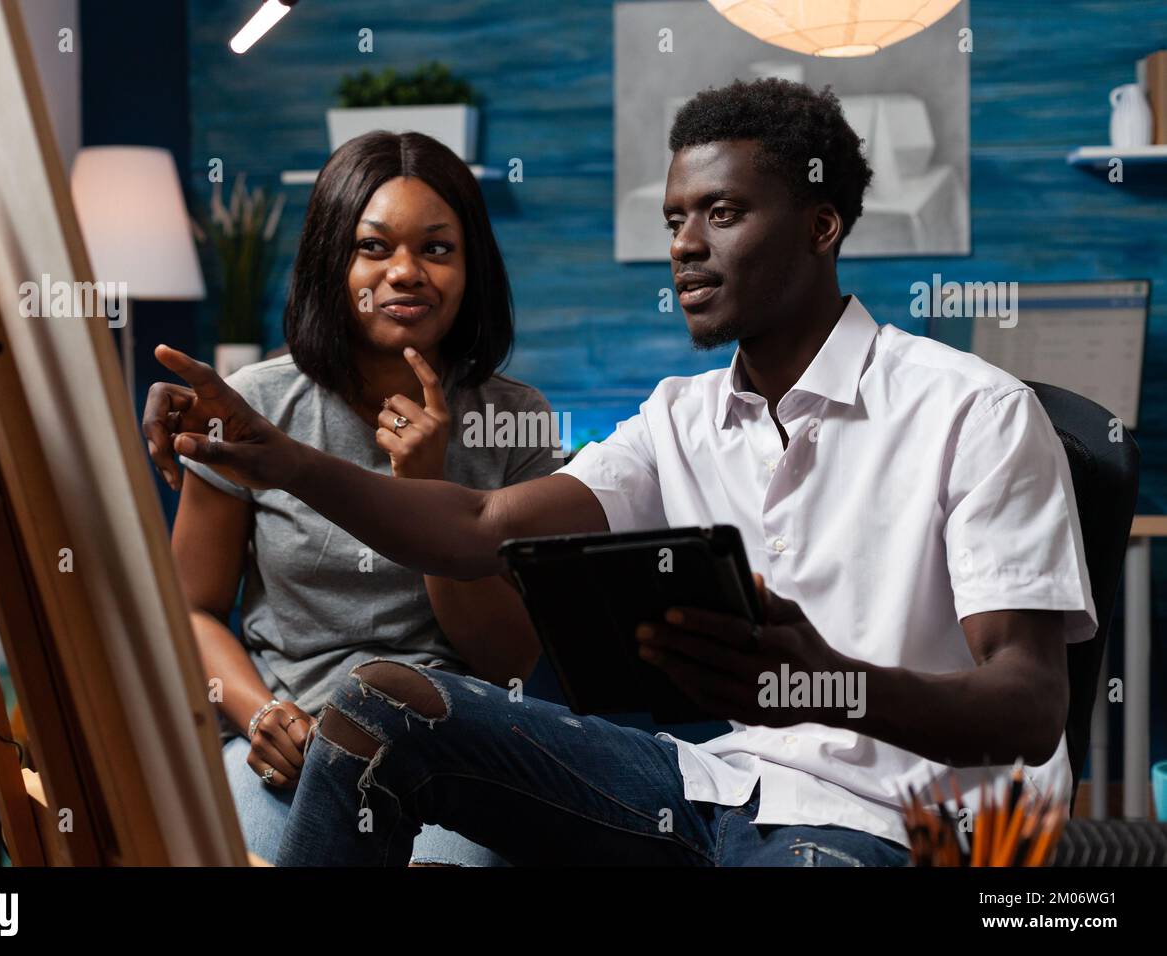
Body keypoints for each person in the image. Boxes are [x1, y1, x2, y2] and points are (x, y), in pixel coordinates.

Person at [146, 79, 1095, 867]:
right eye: (677, 217)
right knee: (382, 701)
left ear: (821, 224)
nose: (685, 243)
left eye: (723, 213)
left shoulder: (974, 412)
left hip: (889, 821)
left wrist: (827, 683)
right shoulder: (677, 416)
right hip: (709, 785)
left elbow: (1029, 707)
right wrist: (279, 459)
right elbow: (480, 528)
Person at [146, 131, 561, 865]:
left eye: (437, 249)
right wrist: (260, 713)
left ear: (471, 271)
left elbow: (511, 662)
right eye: (375, 248)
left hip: (456, 755)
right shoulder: (254, 407)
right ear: (333, 260)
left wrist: (428, 493)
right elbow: (192, 610)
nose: (406, 273)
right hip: (289, 743)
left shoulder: (515, 418)